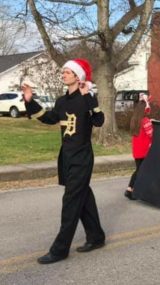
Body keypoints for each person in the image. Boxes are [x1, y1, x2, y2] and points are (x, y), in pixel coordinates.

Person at [22, 58, 106, 264]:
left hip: (82, 158)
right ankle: (96, 237)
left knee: (70, 202)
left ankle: (60, 249)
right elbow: (49, 118)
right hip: (66, 157)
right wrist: (30, 101)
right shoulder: (61, 101)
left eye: (67, 71)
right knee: (83, 197)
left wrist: (90, 98)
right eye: (63, 71)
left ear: (78, 77)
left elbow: (99, 121)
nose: (63, 74)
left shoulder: (87, 97)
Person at [124, 93, 153, 200]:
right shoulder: (145, 121)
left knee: (139, 170)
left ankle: (131, 189)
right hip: (145, 150)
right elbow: (151, 134)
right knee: (143, 170)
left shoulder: (134, 120)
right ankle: (131, 189)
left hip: (137, 150)